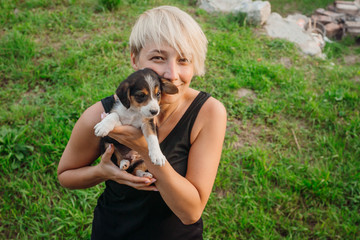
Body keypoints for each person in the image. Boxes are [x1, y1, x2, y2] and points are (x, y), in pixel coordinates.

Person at [57, 5, 227, 240]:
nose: (171, 73)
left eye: (184, 60)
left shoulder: (208, 113)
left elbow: (191, 212)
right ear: (135, 59)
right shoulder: (101, 115)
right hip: (114, 231)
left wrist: (145, 149)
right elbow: (65, 175)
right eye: (158, 57)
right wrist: (104, 172)